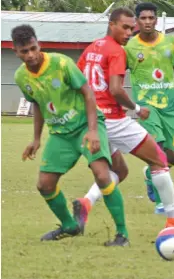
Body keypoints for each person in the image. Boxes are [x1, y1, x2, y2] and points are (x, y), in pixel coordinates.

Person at [73, 8, 174, 235]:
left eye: (132, 28)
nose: (130, 32)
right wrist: (137, 108)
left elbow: (78, 81)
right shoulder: (119, 51)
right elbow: (116, 89)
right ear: (112, 24)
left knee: (119, 171)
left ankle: (86, 203)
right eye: (127, 27)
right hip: (112, 119)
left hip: (94, 122)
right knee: (160, 160)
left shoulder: (92, 47)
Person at [12, 24, 128, 246]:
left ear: (39, 44)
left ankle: (122, 234)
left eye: (33, 48)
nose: (31, 55)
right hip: (60, 134)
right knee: (44, 184)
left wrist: (93, 131)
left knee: (103, 175)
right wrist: (36, 139)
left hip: (85, 126)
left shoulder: (62, 63)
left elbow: (88, 94)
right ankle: (69, 225)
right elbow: (37, 104)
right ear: (16, 52)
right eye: (24, 51)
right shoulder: (20, 77)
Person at [124, 2, 174, 214]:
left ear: (156, 20)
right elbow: (117, 71)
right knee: (158, 147)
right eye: (143, 18)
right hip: (146, 107)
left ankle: (149, 174)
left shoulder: (171, 43)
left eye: (151, 18)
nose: (147, 22)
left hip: (170, 107)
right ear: (136, 21)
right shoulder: (130, 48)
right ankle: (163, 199)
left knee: (173, 156)